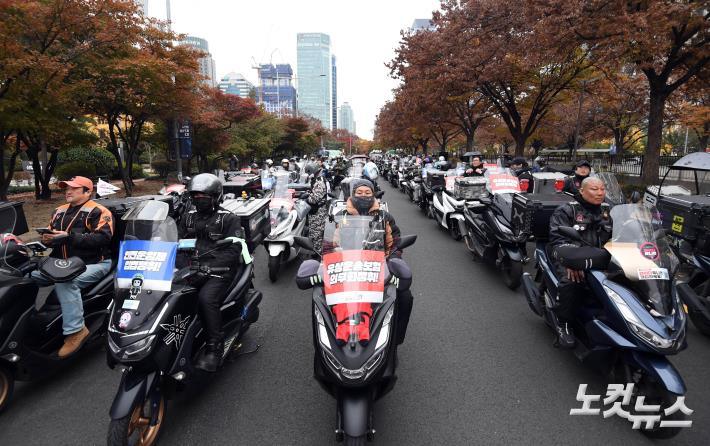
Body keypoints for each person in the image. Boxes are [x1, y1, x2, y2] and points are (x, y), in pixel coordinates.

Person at [32, 176, 113, 357]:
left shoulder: (99, 211)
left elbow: (103, 238)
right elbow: (52, 237)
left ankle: (76, 331)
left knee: (66, 282)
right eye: (66, 188)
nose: (67, 191)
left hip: (93, 263)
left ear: (87, 191)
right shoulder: (58, 211)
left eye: (74, 188)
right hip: (61, 264)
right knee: (26, 277)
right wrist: (47, 239)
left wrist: (68, 236)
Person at [179, 173, 245, 372]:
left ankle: (214, 347)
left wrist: (210, 266)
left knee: (206, 299)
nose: (199, 202)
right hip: (190, 268)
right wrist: (184, 264)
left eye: (204, 198)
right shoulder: (187, 217)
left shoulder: (229, 219)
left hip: (218, 270)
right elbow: (178, 244)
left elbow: (234, 250)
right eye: (195, 198)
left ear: (216, 197)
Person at [342, 179, 413, 345]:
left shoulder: (385, 217)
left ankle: (394, 340)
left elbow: (394, 243)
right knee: (321, 296)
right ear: (352, 195)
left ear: (373, 194)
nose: (363, 196)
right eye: (359, 193)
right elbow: (331, 243)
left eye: (367, 193)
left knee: (405, 298)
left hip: (379, 268)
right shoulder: (341, 217)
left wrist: (393, 259)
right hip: (348, 269)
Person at [548, 177, 612, 348]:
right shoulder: (567, 210)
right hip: (570, 256)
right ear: (582, 191)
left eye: (602, 189)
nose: (600, 193)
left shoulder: (608, 211)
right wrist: (573, 260)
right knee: (573, 281)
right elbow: (558, 239)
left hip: (600, 258)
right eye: (594, 189)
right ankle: (564, 323)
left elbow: (621, 236)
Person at [303, 162, 330, 255]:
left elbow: (314, 199)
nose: (308, 174)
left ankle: (317, 253)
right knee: (314, 231)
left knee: (317, 233)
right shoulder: (317, 179)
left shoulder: (319, 181)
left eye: (309, 172)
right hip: (316, 210)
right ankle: (315, 249)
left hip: (318, 211)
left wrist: (306, 198)